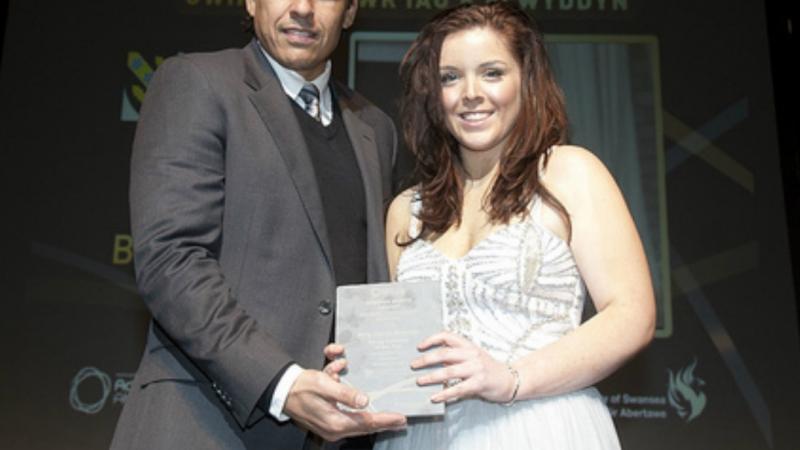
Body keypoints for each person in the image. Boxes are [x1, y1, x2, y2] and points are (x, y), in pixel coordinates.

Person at [110, 0, 406, 448]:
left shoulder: (375, 128)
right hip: (207, 427)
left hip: (339, 434)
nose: (303, 9)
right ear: (251, 2)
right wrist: (282, 384)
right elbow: (172, 259)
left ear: (350, 12)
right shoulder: (197, 82)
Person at [377, 3, 656, 449]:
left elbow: (632, 315)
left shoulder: (570, 173)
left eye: (491, 73)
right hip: (421, 438)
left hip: (541, 427)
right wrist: (362, 374)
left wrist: (511, 379)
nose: (469, 93)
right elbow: (401, 354)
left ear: (526, 80)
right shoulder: (405, 211)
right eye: (451, 77)